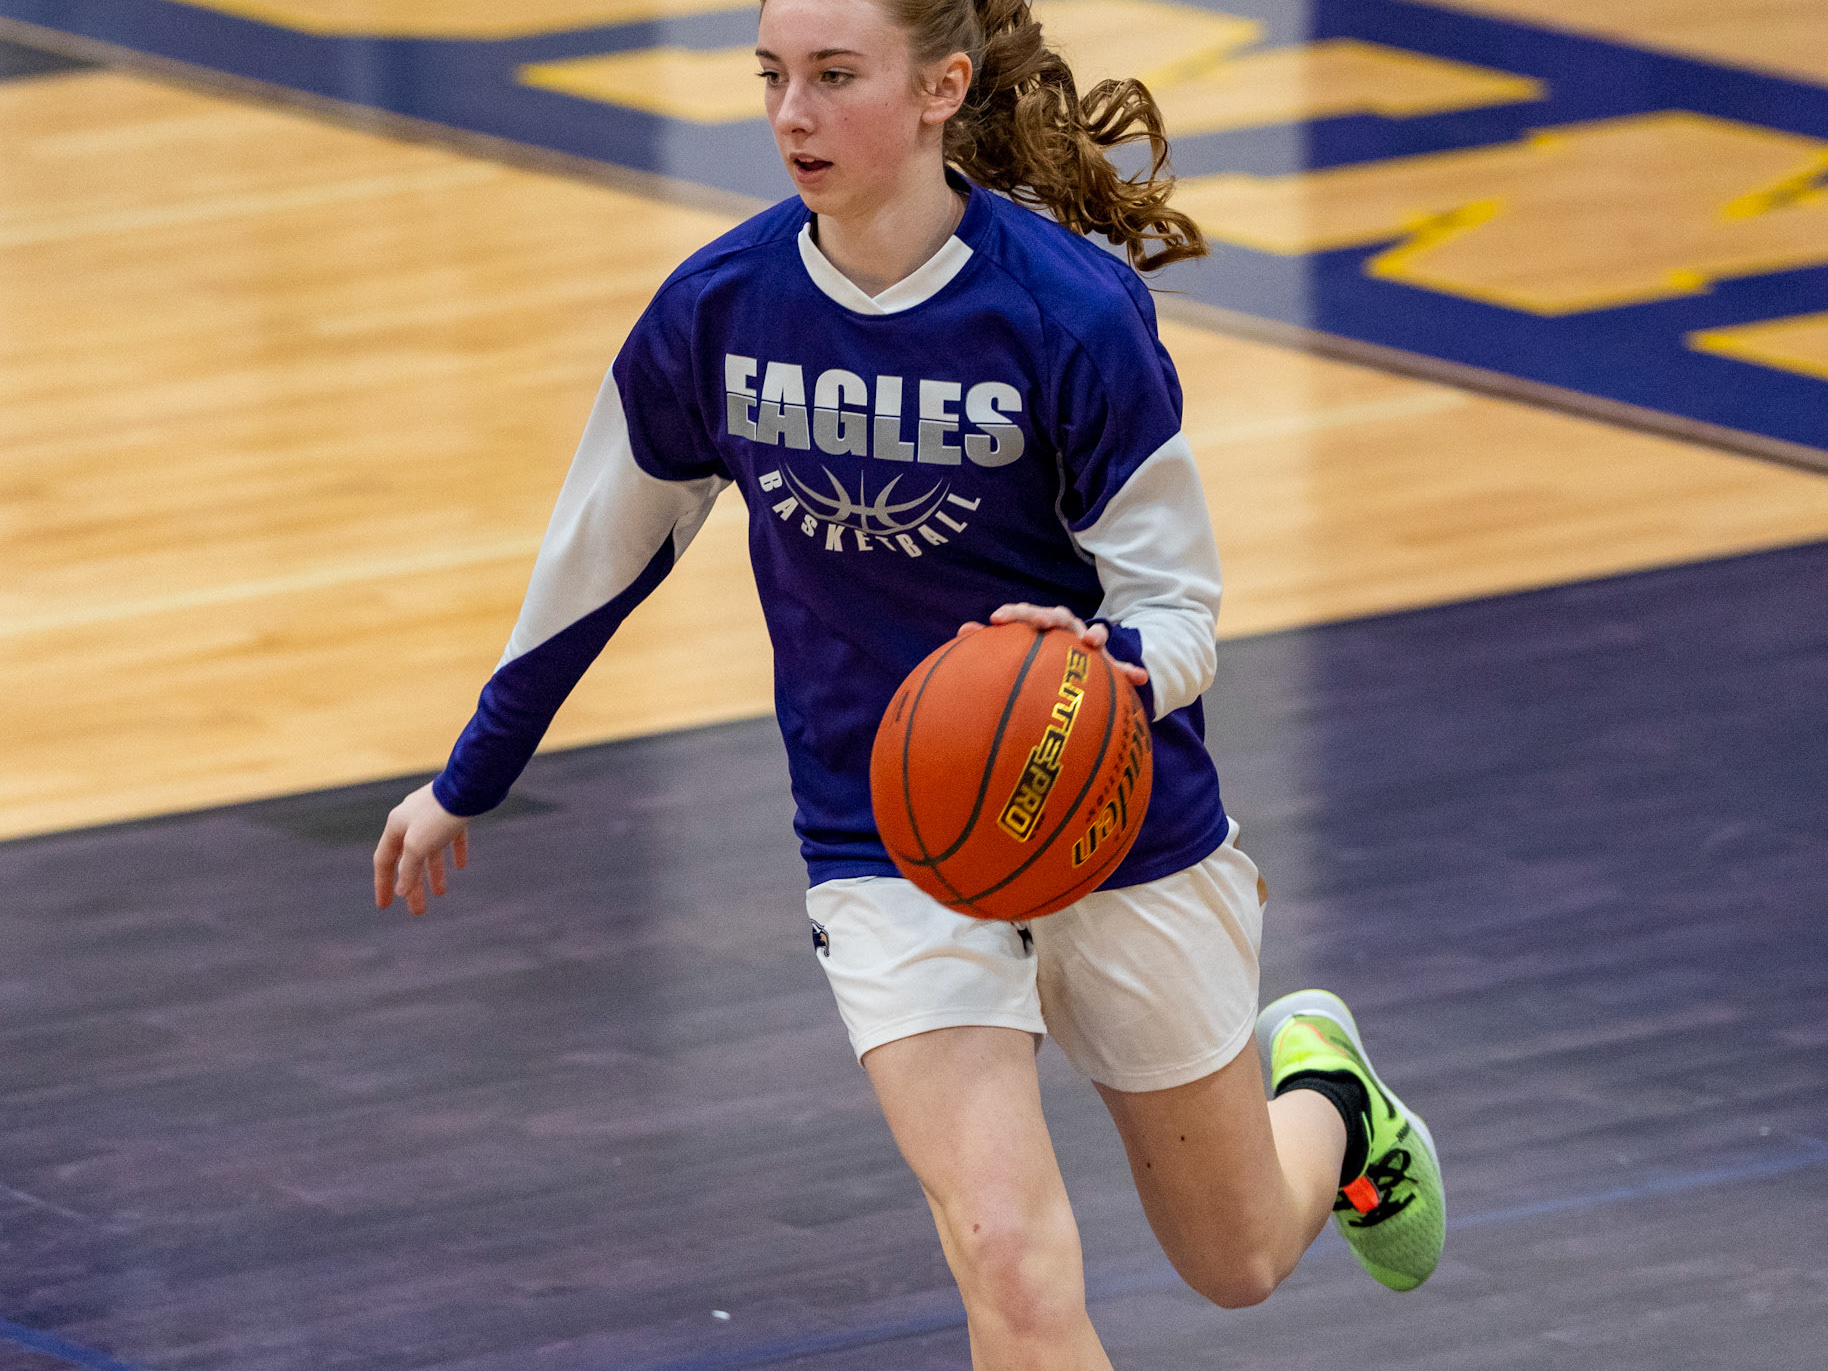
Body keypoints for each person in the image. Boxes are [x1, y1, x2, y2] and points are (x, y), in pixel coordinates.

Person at [372, 0, 1445, 1362]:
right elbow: (601, 551)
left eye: (834, 78)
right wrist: (471, 773)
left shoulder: (1069, 313)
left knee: (1232, 1257)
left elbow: (1179, 611)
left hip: (1108, 815)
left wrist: (1092, 673)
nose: (791, 117)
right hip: (888, 835)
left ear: (943, 87)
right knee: (1010, 1256)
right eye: (771, 78)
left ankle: (1334, 1101)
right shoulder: (719, 309)